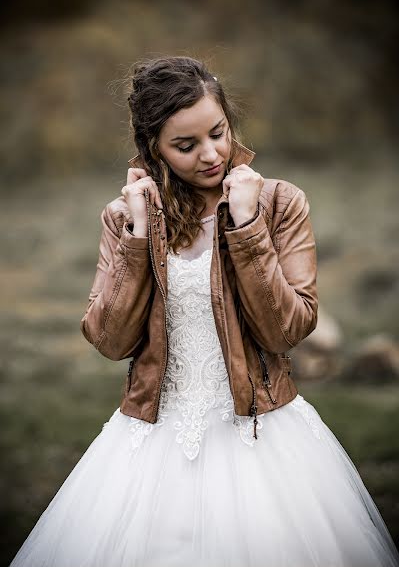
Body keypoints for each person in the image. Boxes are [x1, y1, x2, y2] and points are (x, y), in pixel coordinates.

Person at [10, 56, 399, 567]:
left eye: (218, 133)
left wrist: (246, 227)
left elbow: (286, 332)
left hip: (261, 431)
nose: (212, 154)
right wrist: (138, 235)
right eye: (186, 146)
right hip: (151, 435)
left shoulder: (279, 204)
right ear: (155, 150)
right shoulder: (125, 216)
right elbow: (109, 340)